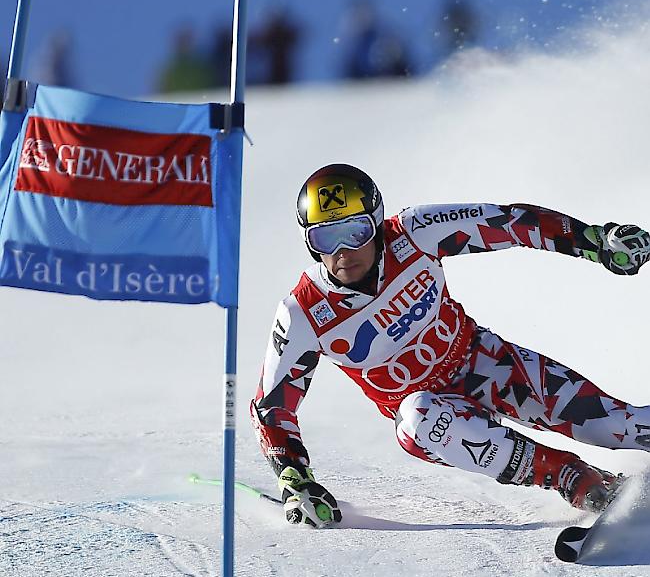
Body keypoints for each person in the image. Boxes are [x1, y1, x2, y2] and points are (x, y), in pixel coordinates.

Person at [249, 164, 650, 528]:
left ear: (375, 222)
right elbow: (272, 407)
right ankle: (575, 479)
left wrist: (595, 242)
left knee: (618, 427)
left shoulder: (413, 232)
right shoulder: (303, 312)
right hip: (435, 416)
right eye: (324, 237)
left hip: (488, 365)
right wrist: (295, 479)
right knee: (417, 418)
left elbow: (510, 222)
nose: (342, 252)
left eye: (355, 233)